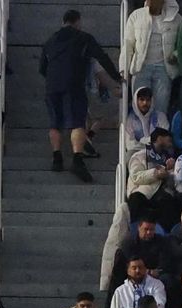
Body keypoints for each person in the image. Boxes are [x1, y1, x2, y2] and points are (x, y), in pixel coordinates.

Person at [40, 10, 121, 181]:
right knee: (77, 123)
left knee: (55, 123)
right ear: (77, 22)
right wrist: (117, 77)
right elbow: (102, 57)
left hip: (52, 86)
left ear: (63, 22)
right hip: (73, 84)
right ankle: (77, 159)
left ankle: (57, 158)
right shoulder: (83, 37)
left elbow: (42, 67)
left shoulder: (50, 40)